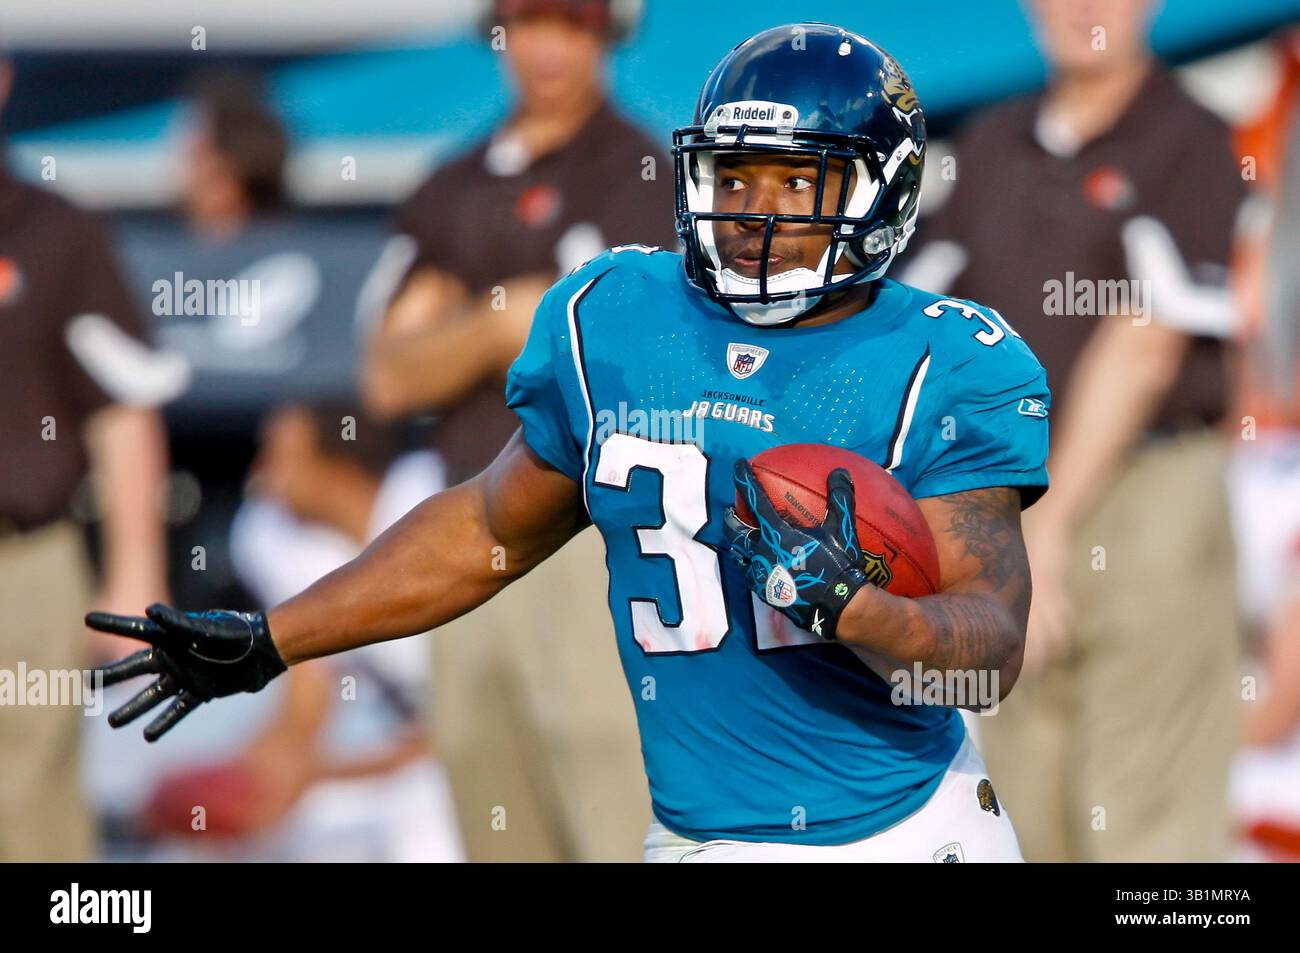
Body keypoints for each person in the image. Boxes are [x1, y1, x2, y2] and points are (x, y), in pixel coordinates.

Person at [89, 24, 1051, 862]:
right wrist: (271, 641)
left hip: (912, 831)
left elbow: (989, 650)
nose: (756, 214)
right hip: (705, 837)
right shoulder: (619, 320)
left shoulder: (939, 360)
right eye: (735, 176)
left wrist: (863, 610)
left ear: (884, 190)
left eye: (796, 181)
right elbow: (482, 531)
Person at [901, 0, 1246, 861]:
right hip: (1008, 502)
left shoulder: (1193, 138)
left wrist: (1043, 535)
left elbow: (1147, 339)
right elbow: (926, 328)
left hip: (1145, 493)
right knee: (1018, 811)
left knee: (1145, 828)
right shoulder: (990, 144)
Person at [358, 0, 673, 861]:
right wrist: (507, 312)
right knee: (488, 791)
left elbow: (625, 349)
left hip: (595, 531)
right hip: (471, 524)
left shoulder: (642, 169)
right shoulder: (450, 184)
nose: (549, 47)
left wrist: (469, 318)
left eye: (572, 24)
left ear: (605, 33)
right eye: (531, 21)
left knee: (612, 798)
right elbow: (389, 373)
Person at [0, 53, 180, 860]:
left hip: (23, 567)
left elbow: (122, 404)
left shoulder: (52, 230)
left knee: (25, 807)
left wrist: (135, 571)